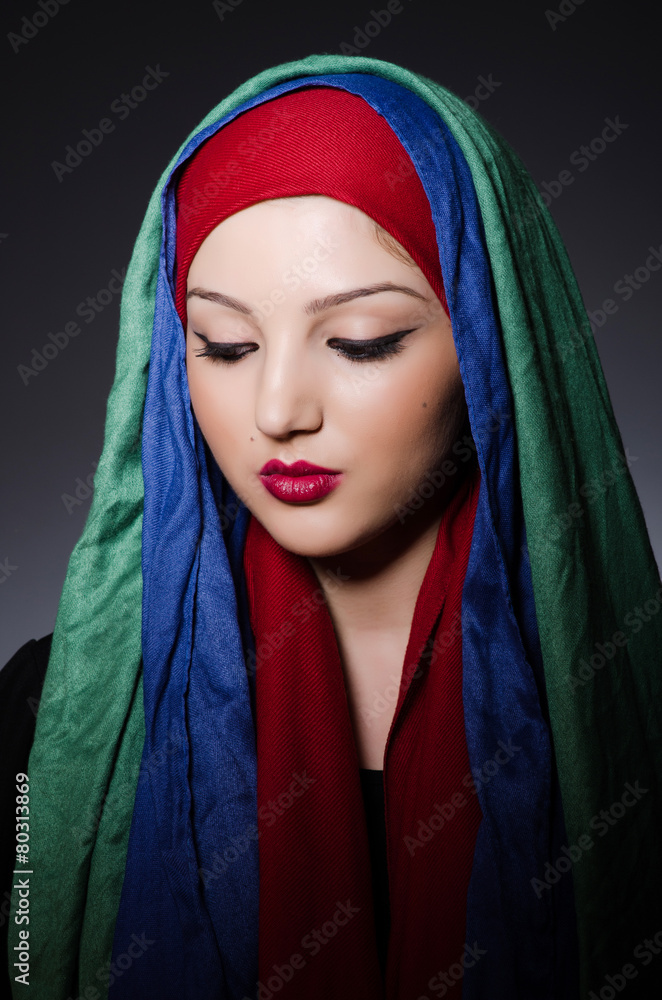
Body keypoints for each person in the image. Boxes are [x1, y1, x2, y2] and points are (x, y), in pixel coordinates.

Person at [3, 53, 661, 1000]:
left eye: (362, 342)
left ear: (490, 341)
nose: (278, 410)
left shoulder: (628, 697)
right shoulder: (47, 715)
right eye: (225, 346)